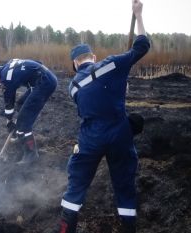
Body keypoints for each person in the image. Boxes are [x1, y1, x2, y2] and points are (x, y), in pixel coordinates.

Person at [57, 0, 150, 232]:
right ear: (94, 57)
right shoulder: (112, 65)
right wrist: (138, 15)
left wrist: (117, 88)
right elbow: (142, 45)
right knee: (124, 185)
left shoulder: (73, 87)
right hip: (119, 134)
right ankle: (128, 226)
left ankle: (65, 228)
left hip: (90, 137)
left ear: (75, 64)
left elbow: (91, 100)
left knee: (76, 185)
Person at [0, 59, 57, 164]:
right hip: (41, 80)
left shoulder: (7, 76)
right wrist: (10, 119)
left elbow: (9, 100)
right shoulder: (6, 68)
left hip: (43, 83)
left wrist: (9, 121)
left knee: (22, 123)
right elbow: (36, 62)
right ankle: (21, 136)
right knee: (20, 104)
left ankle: (31, 155)